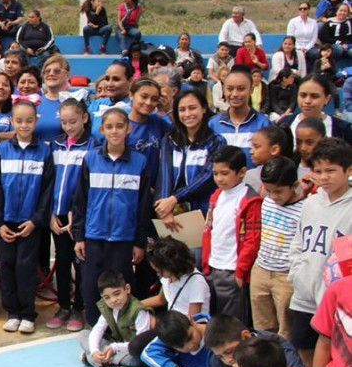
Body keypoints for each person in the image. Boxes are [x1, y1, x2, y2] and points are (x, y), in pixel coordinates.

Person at [72, 108, 152, 326]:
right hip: (93, 236)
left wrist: (139, 242)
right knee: (91, 286)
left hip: (123, 238)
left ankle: (120, 329)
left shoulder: (140, 162)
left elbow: (143, 206)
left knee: (119, 288)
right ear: (101, 130)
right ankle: (94, 327)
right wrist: (79, 237)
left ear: (129, 128)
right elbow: (80, 201)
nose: (114, 131)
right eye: (109, 127)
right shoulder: (91, 159)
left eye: (119, 126)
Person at [0, 100, 54, 334]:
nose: (24, 125)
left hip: (30, 223)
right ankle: (13, 312)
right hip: (6, 221)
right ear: (12, 121)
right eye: (19, 120)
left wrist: (36, 220)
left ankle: (27, 313)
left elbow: (47, 190)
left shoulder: (45, 152)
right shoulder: (1, 150)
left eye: (29, 120)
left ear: (36, 121)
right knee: (7, 266)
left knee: (25, 268)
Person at [288, 138, 352, 367]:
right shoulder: (311, 202)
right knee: (303, 346)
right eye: (319, 171)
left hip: (336, 299)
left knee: (335, 352)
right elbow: (297, 242)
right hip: (304, 294)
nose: (324, 177)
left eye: (331, 171)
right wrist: (297, 274)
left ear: (348, 170)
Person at [46, 99, 97, 330]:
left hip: (79, 217)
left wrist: (76, 214)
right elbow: (48, 181)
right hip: (57, 216)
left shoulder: (93, 146)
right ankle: (64, 306)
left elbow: (89, 186)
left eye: (73, 121)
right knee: (62, 260)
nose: (68, 127)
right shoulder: (55, 145)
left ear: (84, 118)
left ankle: (79, 308)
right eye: (64, 122)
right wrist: (50, 213)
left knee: (81, 262)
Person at [201, 146, 262, 321]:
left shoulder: (250, 200)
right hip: (212, 266)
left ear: (241, 172)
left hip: (232, 270)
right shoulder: (216, 195)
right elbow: (209, 229)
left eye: (225, 173)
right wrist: (205, 263)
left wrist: (240, 273)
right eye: (215, 174)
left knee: (231, 321)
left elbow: (252, 241)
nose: (219, 178)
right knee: (211, 317)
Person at [250, 157, 304, 338]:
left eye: (279, 191)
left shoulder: (304, 209)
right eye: (269, 190)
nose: (273, 196)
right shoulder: (267, 201)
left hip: (285, 276)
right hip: (261, 269)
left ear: (294, 185)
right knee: (262, 326)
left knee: (286, 329)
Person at [156, 89, 226, 225]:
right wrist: (164, 208)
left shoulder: (216, 141)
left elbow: (207, 176)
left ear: (204, 108)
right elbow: (164, 174)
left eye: (192, 108)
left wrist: (175, 198)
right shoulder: (169, 140)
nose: (187, 114)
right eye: (182, 110)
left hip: (204, 211)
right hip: (172, 214)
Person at [79, 270, 151, 367]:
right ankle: (109, 365)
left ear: (127, 289)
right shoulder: (108, 308)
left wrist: (114, 347)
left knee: (135, 360)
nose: (113, 300)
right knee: (83, 334)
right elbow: (98, 329)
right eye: (107, 297)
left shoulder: (139, 311)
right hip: (115, 347)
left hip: (130, 350)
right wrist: (94, 351)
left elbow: (141, 343)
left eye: (117, 294)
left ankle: (94, 361)